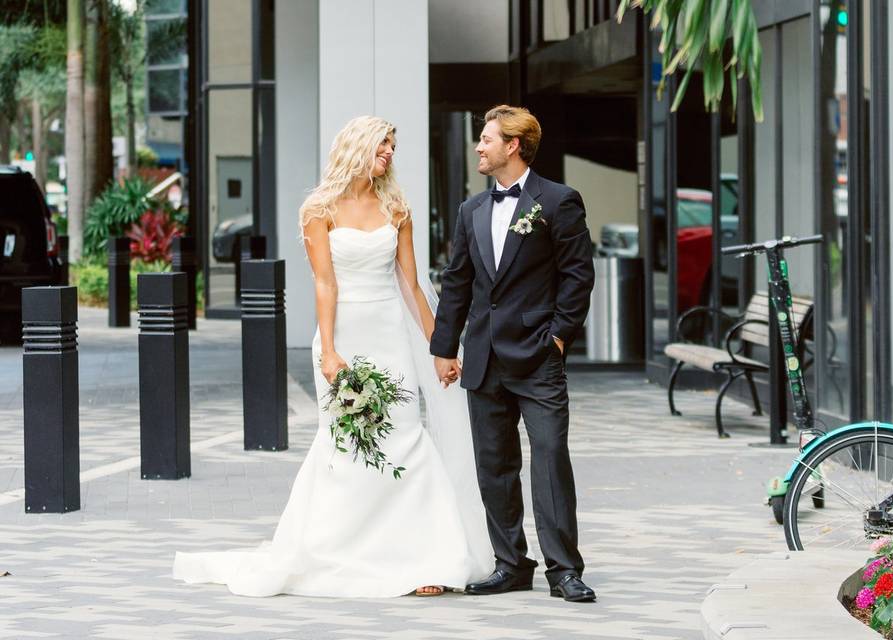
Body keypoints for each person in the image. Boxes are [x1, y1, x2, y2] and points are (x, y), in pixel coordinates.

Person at [172, 115, 493, 598]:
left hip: (390, 336)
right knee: (346, 445)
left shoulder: (396, 207)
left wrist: (440, 347)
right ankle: (340, 551)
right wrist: (328, 350)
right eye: (382, 145)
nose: (389, 153)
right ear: (358, 146)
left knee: (405, 437)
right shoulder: (318, 209)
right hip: (343, 337)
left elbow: (412, 286)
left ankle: (424, 559)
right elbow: (325, 283)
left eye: (392, 146)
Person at [430, 105, 597, 602]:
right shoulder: (471, 210)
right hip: (483, 358)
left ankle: (564, 570)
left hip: (538, 357)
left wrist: (558, 337)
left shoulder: (558, 201)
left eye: (486, 139)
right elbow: (457, 282)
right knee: (494, 467)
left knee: (550, 460)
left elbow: (578, 276)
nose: (478, 147)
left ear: (513, 145)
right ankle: (510, 565)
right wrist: (444, 347)